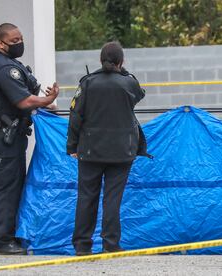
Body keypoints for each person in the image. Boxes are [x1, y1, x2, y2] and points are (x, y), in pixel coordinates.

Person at [0, 23, 59, 255]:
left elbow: (27, 92)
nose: (19, 43)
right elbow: (23, 101)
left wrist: (45, 105)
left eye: (20, 38)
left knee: (14, 185)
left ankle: (12, 236)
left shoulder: (4, 62)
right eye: (14, 41)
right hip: (2, 139)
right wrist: (47, 100)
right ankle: (3, 241)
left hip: (7, 136)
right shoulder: (2, 67)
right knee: (7, 187)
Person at [67, 41, 149, 256]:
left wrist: (72, 145)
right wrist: (123, 71)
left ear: (100, 60)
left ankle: (82, 245)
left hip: (90, 151)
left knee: (87, 197)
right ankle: (110, 244)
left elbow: (75, 115)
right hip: (122, 152)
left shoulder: (88, 83)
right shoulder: (128, 83)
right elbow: (139, 93)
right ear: (121, 62)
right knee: (112, 198)